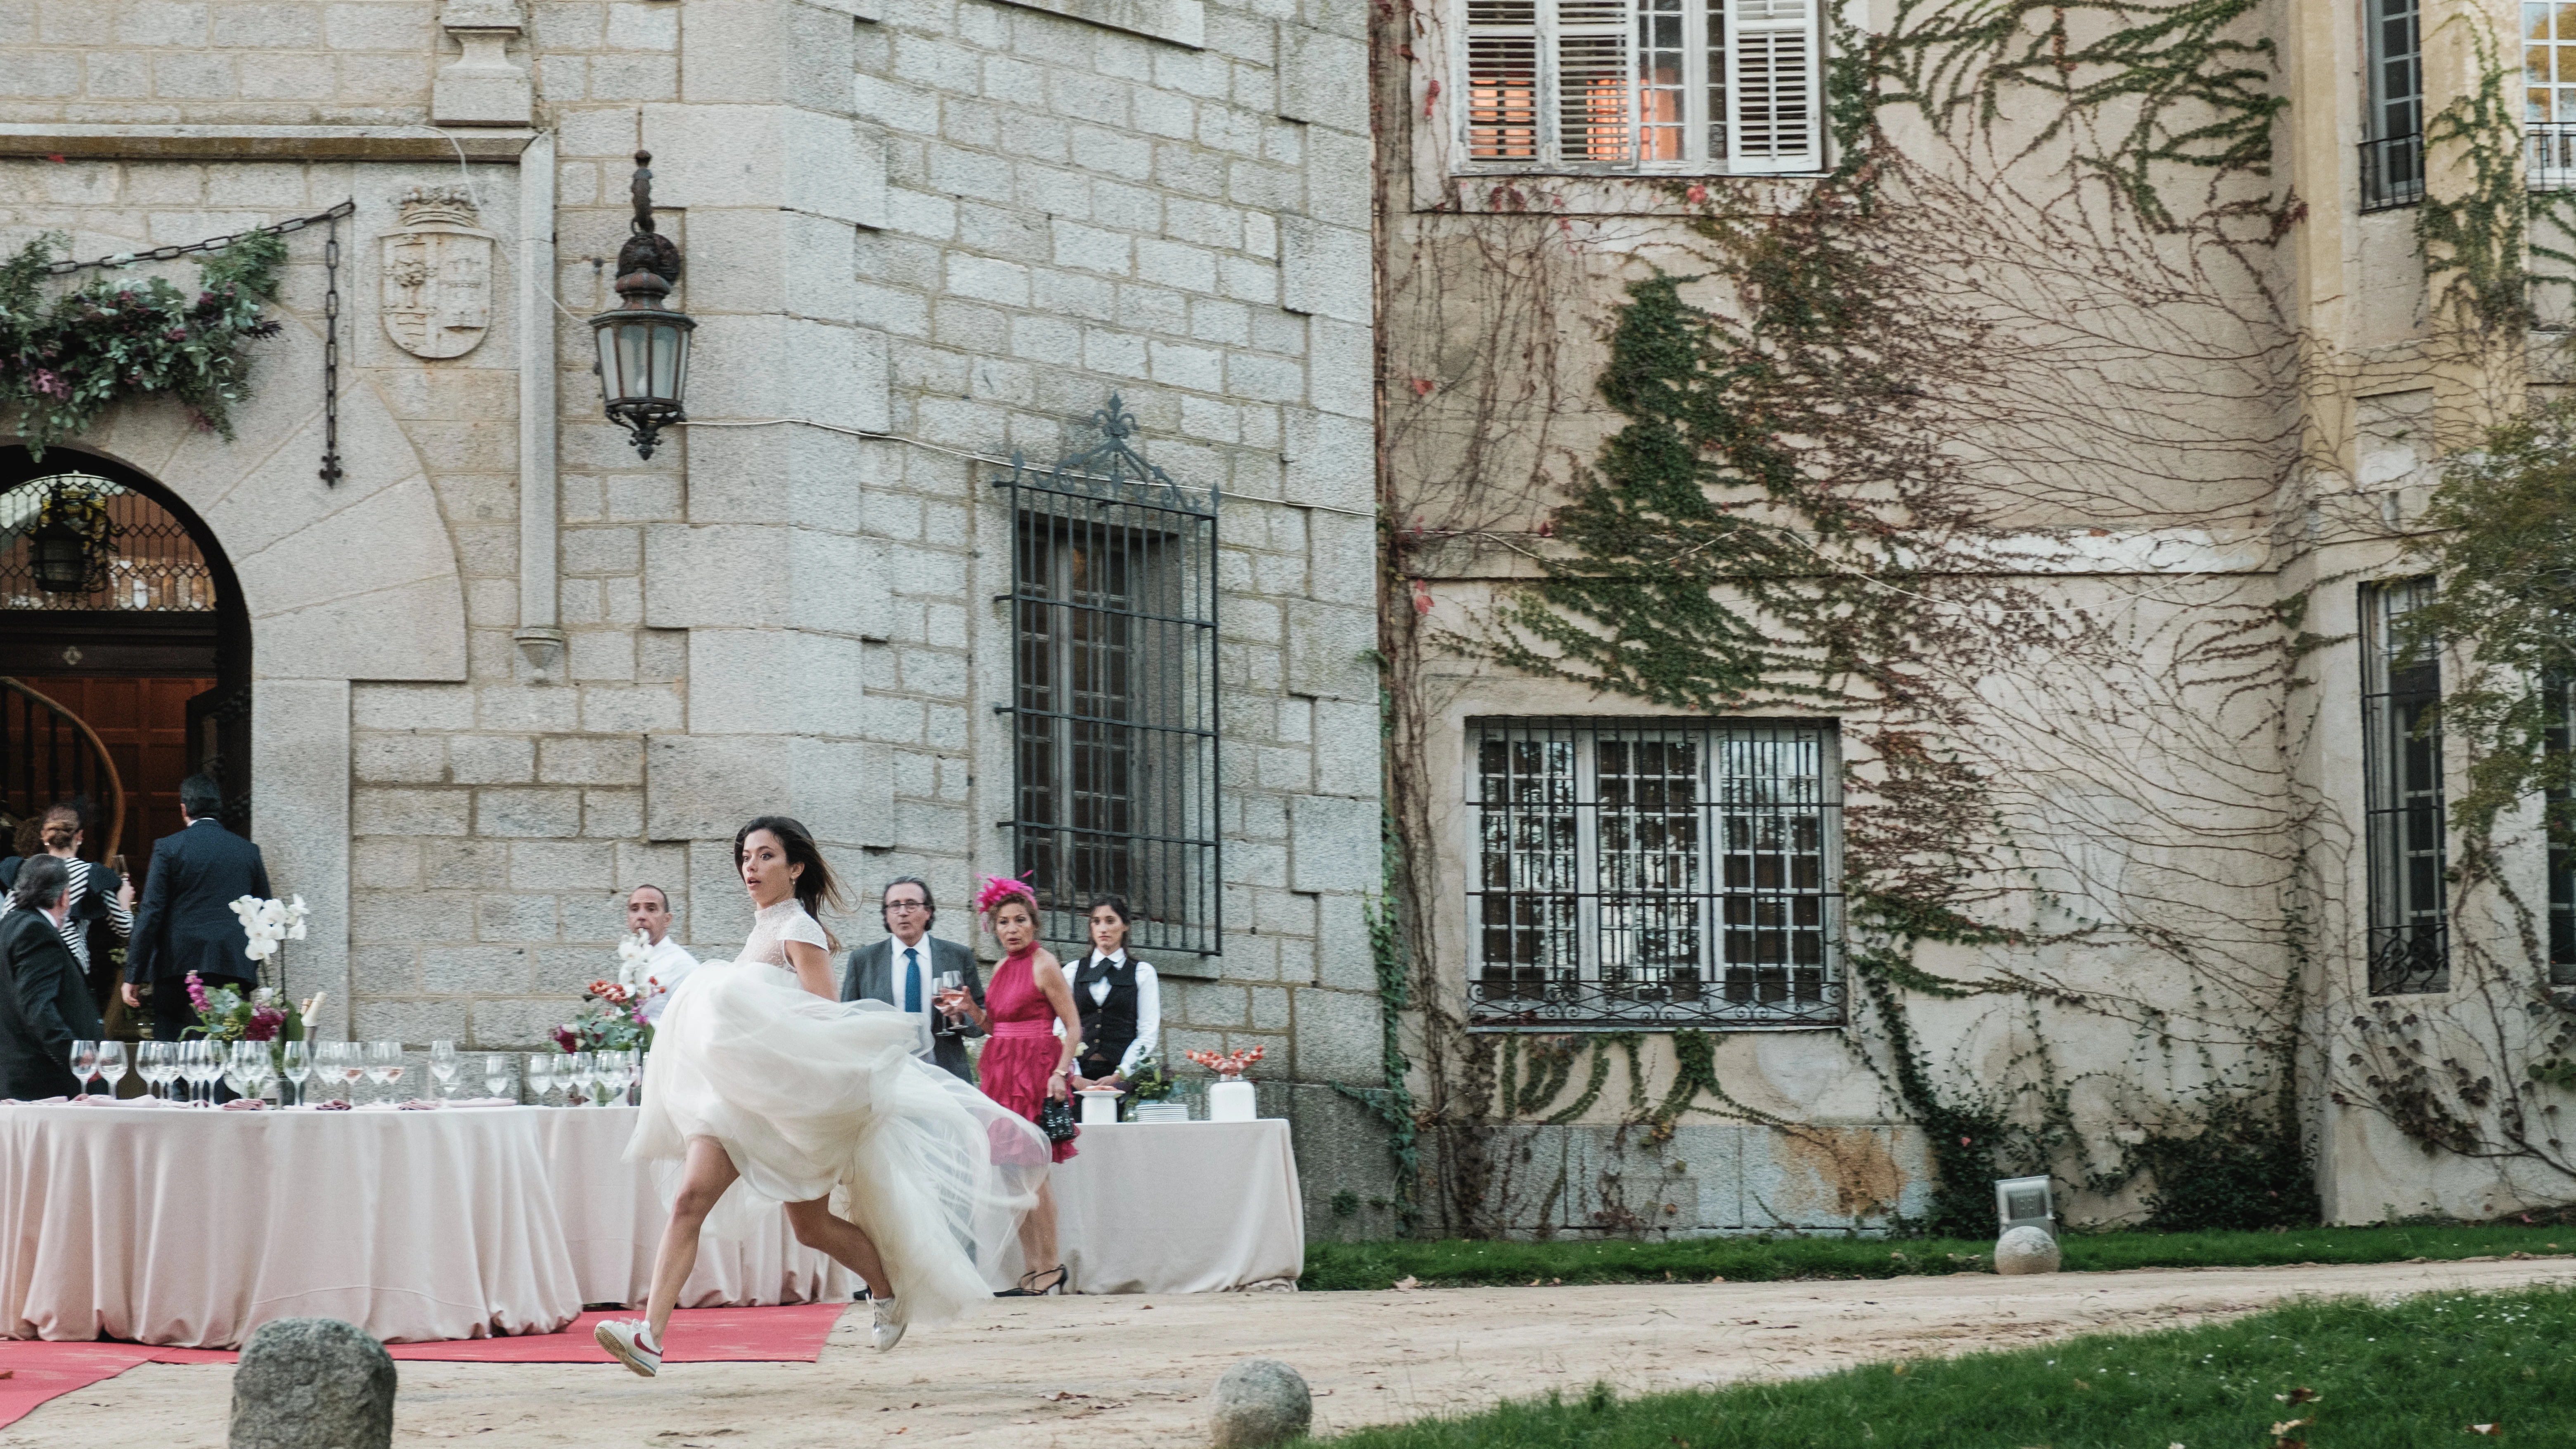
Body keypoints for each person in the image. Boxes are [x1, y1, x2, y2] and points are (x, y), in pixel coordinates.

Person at [594, 818, 1047, 1379]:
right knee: (689, 1199)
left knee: (811, 1227)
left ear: (795, 866)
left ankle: (887, 1289)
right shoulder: (763, 927)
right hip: (735, 1102)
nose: (752, 867)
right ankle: (650, 1337)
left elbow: (825, 1017)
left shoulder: (799, 929)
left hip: (783, 1108)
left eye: (765, 856)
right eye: (747, 857)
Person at [941, 876, 1084, 1297]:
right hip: (1002, 1072)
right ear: (994, 927)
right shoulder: (1002, 968)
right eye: (1003, 922)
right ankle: (1033, 1269)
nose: (1012, 929)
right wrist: (970, 1009)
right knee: (1009, 1175)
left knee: (1034, 1173)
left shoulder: (1046, 964)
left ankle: (1051, 1266)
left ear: (1033, 924)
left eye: (1020, 920)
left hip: (1035, 1070)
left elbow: (1073, 1025)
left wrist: (1061, 1072)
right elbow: (995, 1027)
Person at [122, 775, 270, 1043]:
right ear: (218, 808)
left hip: (177, 962)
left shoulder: (168, 848)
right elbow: (265, 913)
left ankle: (176, 1087)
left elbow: (151, 912)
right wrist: (247, 960)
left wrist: (134, 974)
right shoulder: (249, 851)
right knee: (228, 1043)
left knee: (171, 1039)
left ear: (183, 809)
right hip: (231, 962)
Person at [840, 877, 985, 1082]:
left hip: (945, 1076)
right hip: (884, 1076)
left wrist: (959, 1018)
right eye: (895, 906)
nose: (903, 912)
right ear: (886, 915)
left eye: (911, 904)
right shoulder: (863, 961)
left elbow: (981, 1019)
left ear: (929, 912)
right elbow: (847, 1021)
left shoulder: (957, 956)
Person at [0, 802, 134, 1009]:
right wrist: (125, 899)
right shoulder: (93, 875)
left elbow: (6, 921)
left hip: (26, 967)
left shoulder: (24, 871)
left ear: (44, 835)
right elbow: (124, 927)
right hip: (71, 968)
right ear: (79, 836)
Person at [0, 857, 104, 1099]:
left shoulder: (7, 927)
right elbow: (37, 1005)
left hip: (16, 1076)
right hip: (46, 1081)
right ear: (64, 897)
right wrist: (75, 1055)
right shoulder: (35, 931)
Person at [1062, 894, 1162, 1094]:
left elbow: (1148, 1032)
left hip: (1121, 1076)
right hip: (1077, 1077)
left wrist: (1121, 1075)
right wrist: (1075, 1075)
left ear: (1125, 925)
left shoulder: (1142, 973)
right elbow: (1060, 1027)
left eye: (1110, 921)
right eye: (1096, 922)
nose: (1103, 929)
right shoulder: (1072, 971)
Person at [620, 885, 698, 1023]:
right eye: (634, 909)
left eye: (651, 909)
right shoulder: (630, 962)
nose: (641, 916)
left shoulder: (682, 965)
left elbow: (694, 1023)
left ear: (667, 920)